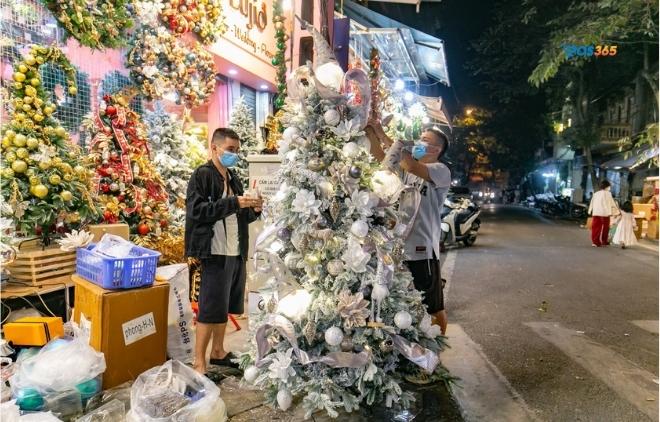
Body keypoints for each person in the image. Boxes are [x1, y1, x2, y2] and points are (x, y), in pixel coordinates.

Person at [185, 128, 263, 375]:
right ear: (215, 147)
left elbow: (239, 216)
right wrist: (234, 202)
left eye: (237, 151)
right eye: (230, 150)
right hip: (212, 252)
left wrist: (255, 208)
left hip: (234, 251)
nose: (234, 155)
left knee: (224, 305)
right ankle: (199, 363)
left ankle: (218, 352)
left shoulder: (233, 177)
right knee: (209, 310)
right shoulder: (202, 175)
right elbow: (197, 211)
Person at [365, 120, 451, 335]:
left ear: (436, 149)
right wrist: (372, 132)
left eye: (425, 140)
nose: (420, 142)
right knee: (406, 304)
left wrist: (394, 140)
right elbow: (383, 159)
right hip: (399, 250)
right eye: (420, 138)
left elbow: (409, 162)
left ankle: (437, 348)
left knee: (433, 306)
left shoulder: (440, 170)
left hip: (423, 252)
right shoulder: (406, 172)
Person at [588, 180, 618, 247]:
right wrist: (615, 212)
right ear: (607, 186)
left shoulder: (596, 193)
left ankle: (595, 242)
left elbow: (592, 202)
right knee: (605, 228)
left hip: (596, 212)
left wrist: (590, 210)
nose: (609, 188)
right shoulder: (608, 193)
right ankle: (604, 241)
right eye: (609, 187)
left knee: (595, 227)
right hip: (605, 213)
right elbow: (611, 203)